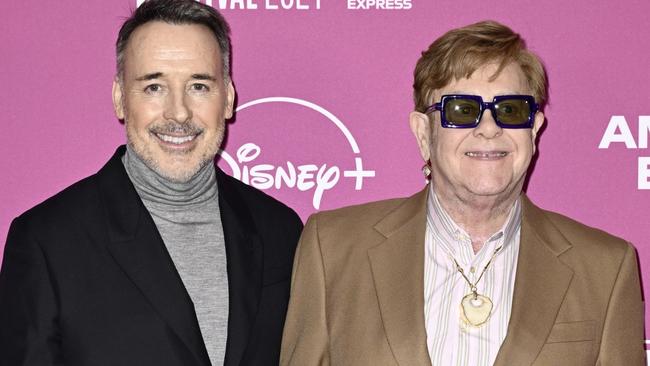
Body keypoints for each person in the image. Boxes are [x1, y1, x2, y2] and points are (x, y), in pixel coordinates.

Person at [280, 20, 644, 365]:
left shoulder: (605, 269)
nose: (488, 128)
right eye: (463, 110)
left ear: (534, 130)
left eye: (510, 110)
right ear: (424, 133)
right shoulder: (334, 249)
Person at [0, 0, 303, 365]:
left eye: (199, 86)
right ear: (120, 98)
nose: (178, 112)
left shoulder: (281, 231)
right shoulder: (46, 241)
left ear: (228, 98)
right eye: (154, 87)